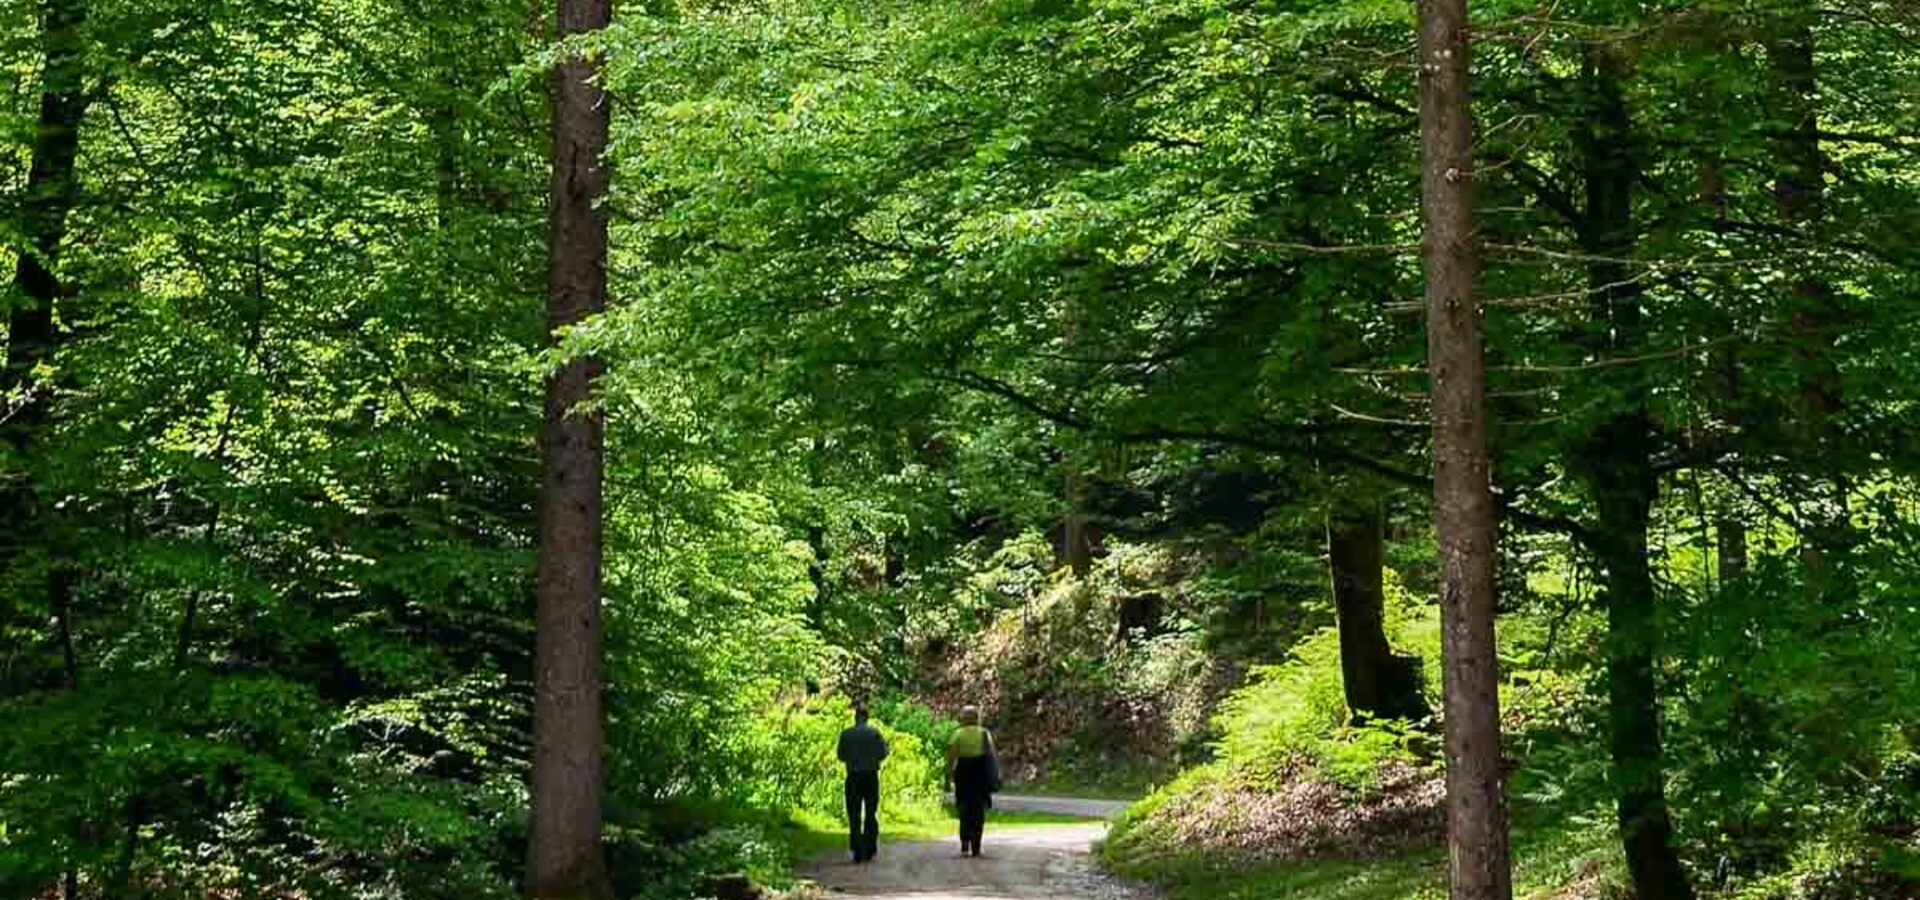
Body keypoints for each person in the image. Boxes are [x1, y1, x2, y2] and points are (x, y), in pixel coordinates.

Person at [835, 703, 889, 863]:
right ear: (867, 716)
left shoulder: (846, 734)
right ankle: (869, 846)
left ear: (855, 716)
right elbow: (882, 753)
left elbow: (840, 755)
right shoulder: (875, 733)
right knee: (871, 812)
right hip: (871, 776)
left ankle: (856, 847)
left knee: (854, 813)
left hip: (853, 776)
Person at [945, 705, 999, 857]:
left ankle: (964, 844)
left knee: (964, 808)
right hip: (980, 773)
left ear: (963, 718)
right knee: (978, 810)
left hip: (963, 773)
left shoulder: (957, 734)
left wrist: (947, 778)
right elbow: (991, 755)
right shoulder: (984, 733)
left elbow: (951, 758)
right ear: (977, 718)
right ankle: (976, 845)